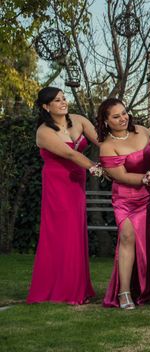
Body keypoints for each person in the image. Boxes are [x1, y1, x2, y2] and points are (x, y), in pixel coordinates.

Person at [27, 87, 101, 305]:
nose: (63, 102)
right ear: (45, 106)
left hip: (77, 184)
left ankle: (78, 286)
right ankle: (63, 289)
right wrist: (96, 168)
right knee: (62, 233)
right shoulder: (43, 132)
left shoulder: (79, 120)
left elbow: (101, 140)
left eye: (63, 98)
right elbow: (69, 153)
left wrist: (122, 154)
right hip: (58, 185)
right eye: (56, 100)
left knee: (76, 232)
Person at [98, 98, 150, 309]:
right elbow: (121, 176)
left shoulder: (143, 131)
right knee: (127, 237)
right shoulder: (107, 146)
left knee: (146, 239)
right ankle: (124, 292)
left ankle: (148, 286)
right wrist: (144, 178)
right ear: (106, 121)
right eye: (116, 116)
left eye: (124, 113)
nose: (123, 118)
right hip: (126, 198)